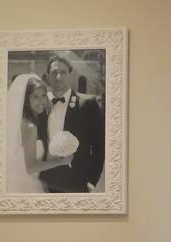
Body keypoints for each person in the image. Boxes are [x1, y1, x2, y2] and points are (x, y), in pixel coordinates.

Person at [39, 55, 105, 193]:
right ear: (47, 76)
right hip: (43, 182)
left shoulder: (87, 104)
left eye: (63, 72)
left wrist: (91, 181)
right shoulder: (39, 105)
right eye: (54, 72)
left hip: (76, 183)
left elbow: (99, 146)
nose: (58, 77)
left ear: (70, 75)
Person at [6, 74, 73, 193]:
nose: (41, 100)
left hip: (18, 180)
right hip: (24, 185)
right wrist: (61, 162)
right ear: (26, 100)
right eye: (35, 97)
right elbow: (31, 167)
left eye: (43, 95)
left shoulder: (22, 121)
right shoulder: (30, 127)